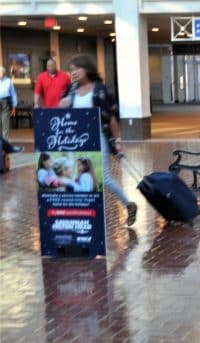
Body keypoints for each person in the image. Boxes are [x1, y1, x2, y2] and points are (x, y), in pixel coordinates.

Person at [58, 55, 137, 225]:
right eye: (71, 70)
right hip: (77, 139)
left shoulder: (99, 89)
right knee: (78, 174)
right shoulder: (72, 90)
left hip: (98, 136)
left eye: (77, 68)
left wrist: (117, 141)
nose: (74, 73)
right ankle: (85, 213)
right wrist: (62, 105)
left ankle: (129, 205)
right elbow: (63, 113)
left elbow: (111, 116)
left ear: (87, 69)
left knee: (103, 177)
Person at [0, 65, 18, 141]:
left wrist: (14, 106)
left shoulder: (8, 81)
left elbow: (13, 94)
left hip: (5, 102)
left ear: (4, 73)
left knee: (5, 124)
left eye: (1, 72)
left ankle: (4, 143)